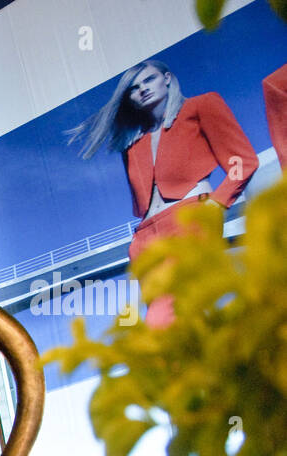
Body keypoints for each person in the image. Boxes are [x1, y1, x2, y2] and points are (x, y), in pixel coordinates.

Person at [68, 60, 258, 327]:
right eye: (134, 88)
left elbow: (243, 161)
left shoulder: (201, 106)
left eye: (148, 80)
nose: (142, 89)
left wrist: (215, 206)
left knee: (164, 320)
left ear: (167, 78)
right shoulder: (132, 145)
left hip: (189, 221)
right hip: (144, 238)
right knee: (180, 323)